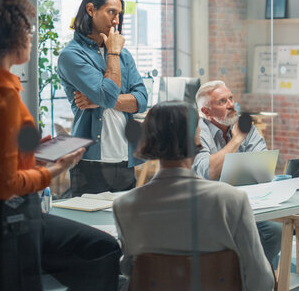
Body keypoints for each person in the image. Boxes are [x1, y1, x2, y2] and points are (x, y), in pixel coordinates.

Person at [0, 0, 121, 291]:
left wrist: (42, 150)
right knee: (102, 249)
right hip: (7, 215)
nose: (30, 37)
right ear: (6, 35)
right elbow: (5, 185)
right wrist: (55, 169)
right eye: (26, 29)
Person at [113, 101, 275, 291]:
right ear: (196, 136)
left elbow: (132, 273)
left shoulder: (124, 206)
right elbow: (261, 282)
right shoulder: (231, 200)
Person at [58, 0, 147, 197]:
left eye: (119, 14)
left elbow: (141, 99)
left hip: (125, 157)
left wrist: (99, 100)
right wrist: (113, 53)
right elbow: (107, 95)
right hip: (91, 161)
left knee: (126, 226)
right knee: (92, 228)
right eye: (111, 12)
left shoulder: (124, 55)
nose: (117, 21)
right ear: (91, 9)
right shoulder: (71, 56)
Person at [191, 80, 282, 264]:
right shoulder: (198, 132)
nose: (231, 105)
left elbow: (263, 166)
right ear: (206, 112)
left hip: (247, 201)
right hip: (210, 207)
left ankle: (253, 277)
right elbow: (207, 171)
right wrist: (237, 139)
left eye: (231, 98)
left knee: (274, 230)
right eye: (222, 101)